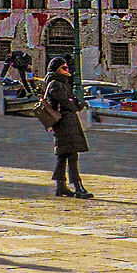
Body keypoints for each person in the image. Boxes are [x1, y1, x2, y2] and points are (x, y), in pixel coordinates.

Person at [46, 58, 91, 198]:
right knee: (72, 155)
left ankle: (61, 187)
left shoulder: (62, 83)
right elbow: (65, 102)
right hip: (64, 123)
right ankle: (78, 187)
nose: (67, 70)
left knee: (63, 155)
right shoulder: (55, 84)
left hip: (67, 122)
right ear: (56, 70)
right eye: (64, 68)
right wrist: (76, 105)